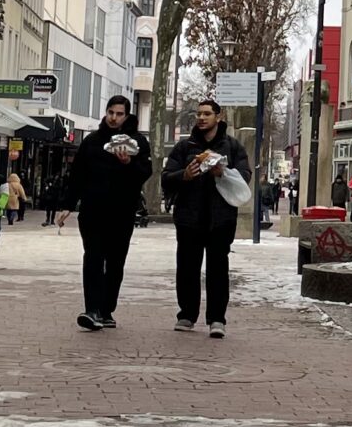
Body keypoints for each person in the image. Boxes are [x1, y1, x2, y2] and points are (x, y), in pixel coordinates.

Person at [67, 96, 157, 330]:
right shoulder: (92, 141)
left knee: (115, 261)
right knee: (93, 257)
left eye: (119, 113)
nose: (113, 117)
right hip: (92, 210)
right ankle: (92, 310)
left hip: (122, 210)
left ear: (127, 116)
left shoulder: (137, 142)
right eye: (110, 112)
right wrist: (66, 204)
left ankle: (107, 309)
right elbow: (77, 173)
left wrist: (129, 164)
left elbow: (145, 172)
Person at [163, 97, 251, 336]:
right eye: (199, 114)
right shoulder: (185, 147)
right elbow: (166, 177)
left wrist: (223, 173)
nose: (201, 118)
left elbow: (245, 177)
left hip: (221, 219)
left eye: (206, 114)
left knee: (218, 269)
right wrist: (185, 175)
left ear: (218, 117)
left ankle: (216, 319)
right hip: (189, 217)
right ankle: (187, 315)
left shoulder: (231, 147)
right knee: (187, 268)